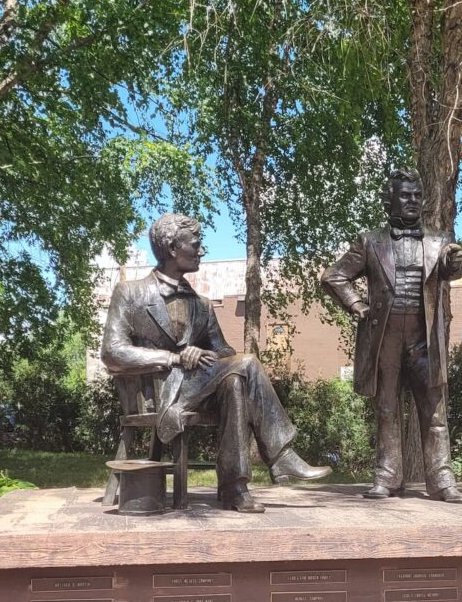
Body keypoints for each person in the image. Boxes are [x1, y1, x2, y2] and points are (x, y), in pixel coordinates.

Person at [101, 213, 331, 512]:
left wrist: (197, 351)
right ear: (173, 248)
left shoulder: (202, 304)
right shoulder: (130, 293)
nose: (202, 251)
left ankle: (235, 489)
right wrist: (173, 357)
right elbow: (112, 352)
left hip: (199, 391)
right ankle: (279, 457)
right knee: (245, 366)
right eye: (196, 244)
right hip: (155, 393)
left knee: (235, 380)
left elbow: (225, 352)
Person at [321, 168, 462, 502]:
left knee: (434, 409)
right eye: (405, 196)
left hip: (424, 337)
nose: (413, 202)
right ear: (389, 201)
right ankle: (387, 478)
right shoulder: (369, 241)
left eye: (417, 196)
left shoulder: (438, 239)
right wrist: (357, 305)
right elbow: (334, 276)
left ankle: (443, 480)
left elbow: (450, 268)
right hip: (385, 337)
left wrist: (456, 261)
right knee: (387, 408)